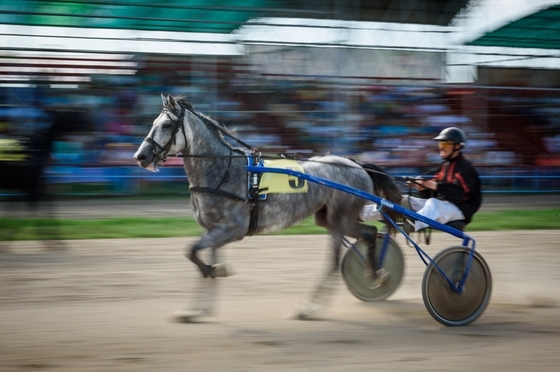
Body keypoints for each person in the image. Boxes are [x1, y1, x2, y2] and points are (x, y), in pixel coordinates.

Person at [360, 126, 482, 233]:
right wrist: (422, 187)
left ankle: (414, 224)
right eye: (440, 144)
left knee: (433, 203)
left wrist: (432, 185)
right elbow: (429, 195)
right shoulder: (445, 166)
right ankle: (359, 214)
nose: (441, 147)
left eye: (445, 144)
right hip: (442, 207)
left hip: (460, 210)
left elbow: (460, 195)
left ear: (457, 146)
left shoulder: (466, 168)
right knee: (403, 200)